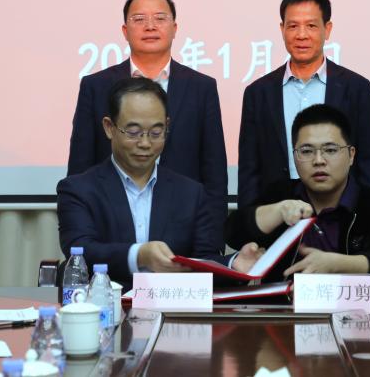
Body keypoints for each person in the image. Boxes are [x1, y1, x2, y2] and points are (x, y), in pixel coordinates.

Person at [58, 77, 259, 287]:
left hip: (172, 305)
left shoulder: (191, 194)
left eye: (156, 132)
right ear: (109, 127)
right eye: (133, 132)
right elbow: (81, 252)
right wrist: (139, 255)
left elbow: (202, 262)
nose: (145, 143)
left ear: (167, 127)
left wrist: (233, 263)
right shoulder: (78, 190)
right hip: (106, 303)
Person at [67, 0, 228, 244]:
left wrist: (213, 240)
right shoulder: (96, 86)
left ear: (175, 28)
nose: (150, 26)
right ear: (125, 30)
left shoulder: (201, 87)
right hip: (111, 230)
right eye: (139, 19)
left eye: (160, 18)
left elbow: (214, 171)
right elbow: (80, 166)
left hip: (184, 231)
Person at [226, 104, 370, 291]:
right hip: (285, 307)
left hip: (352, 306)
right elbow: (233, 233)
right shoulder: (279, 194)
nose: (319, 160)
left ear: (351, 155)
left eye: (330, 150)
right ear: (295, 156)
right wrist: (278, 211)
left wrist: (336, 264)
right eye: (306, 151)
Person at [237, 0, 370, 208]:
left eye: (311, 26)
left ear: (327, 29)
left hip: (340, 212)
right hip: (276, 212)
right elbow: (250, 170)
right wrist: (250, 222)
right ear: (282, 29)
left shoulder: (357, 89)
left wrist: (366, 219)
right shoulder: (258, 93)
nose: (301, 35)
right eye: (293, 26)